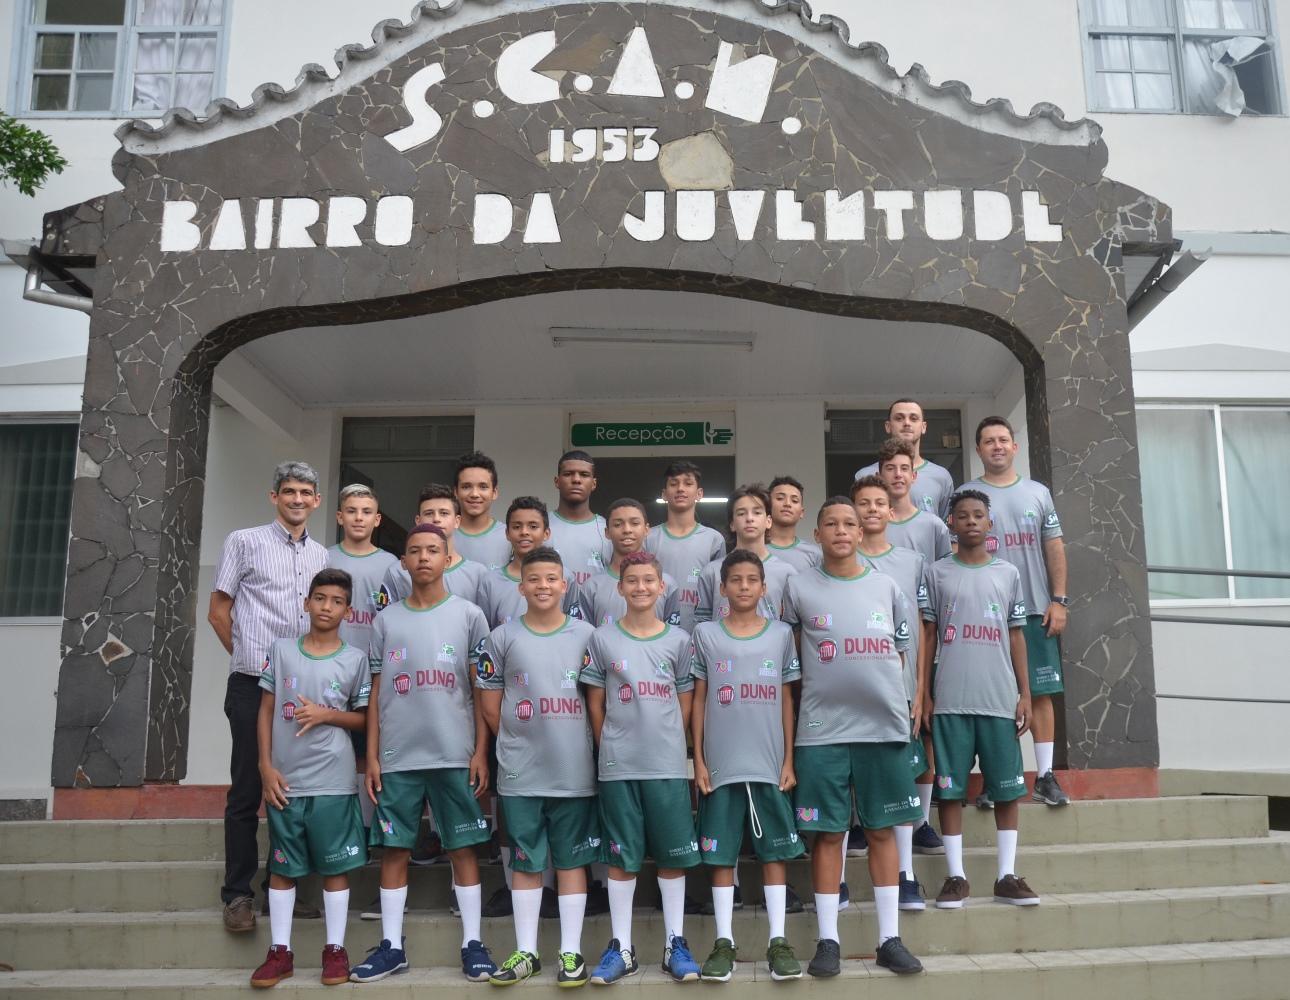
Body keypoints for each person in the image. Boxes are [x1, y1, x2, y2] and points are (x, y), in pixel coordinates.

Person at [782, 498, 924, 978]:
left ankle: (889, 938)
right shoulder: (797, 588)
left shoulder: (886, 586)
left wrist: (898, 701)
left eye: (850, 523)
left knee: (882, 830)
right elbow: (789, 665)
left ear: (861, 532)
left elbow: (902, 652)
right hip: (821, 732)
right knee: (828, 834)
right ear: (816, 533)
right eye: (832, 524)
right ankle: (828, 940)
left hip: (882, 729)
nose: (842, 531)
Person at [350, 524, 497, 984]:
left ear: (447, 556)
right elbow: (375, 694)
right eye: (415, 551)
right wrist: (372, 756)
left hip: (455, 755)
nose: (424, 558)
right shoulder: (385, 621)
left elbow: (481, 689)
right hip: (398, 758)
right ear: (404, 562)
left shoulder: (470, 615)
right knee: (394, 851)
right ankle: (392, 946)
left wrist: (480, 752)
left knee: (463, 848)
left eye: (433, 550)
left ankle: (473, 942)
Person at [209, 460, 328, 933]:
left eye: (306, 492)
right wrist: (250, 662)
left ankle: (284, 885)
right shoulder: (244, 541)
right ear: (273, 496)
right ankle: (238, 894)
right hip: (252, 683)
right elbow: (219, 611)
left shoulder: (322, 555)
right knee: (247, 789)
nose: (298, 499)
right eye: (289, 491)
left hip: (302, 688)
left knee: (294, 788)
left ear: (317, 501)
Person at [478, 548, 600, 987]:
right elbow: (490, 706)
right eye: (535, 579)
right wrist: (519, 740)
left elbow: (597, 703)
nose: (543, 586)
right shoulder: (501, 637)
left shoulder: (588, 635)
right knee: (526, 863)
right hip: (521, 771)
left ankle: (571, 952)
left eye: (552, 578)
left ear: (564, 584)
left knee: (570, 862)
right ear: (521, 586)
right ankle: (525, 952)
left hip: (575, 772)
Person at [581, 551, 702, 985]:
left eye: (648, 580)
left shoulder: (679, 641)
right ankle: (622, 948)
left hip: (666, 764)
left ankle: (675, 944)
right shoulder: (602, 639)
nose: (640, 588)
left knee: (672, 855)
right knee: (621, 858)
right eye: (632, 580)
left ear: (661, 586)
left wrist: (675, 743)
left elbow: (685, 702)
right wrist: (607, 744)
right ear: (620, 586)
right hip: (619, 764)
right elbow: (595, 702)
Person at [250, 568, 370, 988]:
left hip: (333, 781)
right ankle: (280, 951)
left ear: (347, 610)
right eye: (320, 598)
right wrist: (265, 766)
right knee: (283, 867)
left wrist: (326, 715)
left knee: (334, 867)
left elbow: (366, 720)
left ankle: (335, 950)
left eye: (337, 601)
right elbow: (266, 709)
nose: (327, 607)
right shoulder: (281, 651)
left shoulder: (355, 659)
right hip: (285, 780)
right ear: (306, 602)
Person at [923, 490, 1040, 909]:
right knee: (951, 793)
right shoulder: (936, 573)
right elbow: (929, 635)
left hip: (998, 700)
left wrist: (1025, 693)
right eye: (962, 515)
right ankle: (956, 877)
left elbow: (1015, 635)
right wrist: (924, 692)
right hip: (951, 701)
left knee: (1007, 792)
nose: (971, 521)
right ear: (950, 523)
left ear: (990, 524)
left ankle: (1006, 875)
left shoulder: (1008, 573)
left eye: (979, 515)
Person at [691, 550, 805, 983]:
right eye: (734, 579)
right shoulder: (705, 634)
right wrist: (699, 759)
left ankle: (778, 941)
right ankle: (724, 942)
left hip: (769, 762)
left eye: (751, 580)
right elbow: (698, 700)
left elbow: (787, 701)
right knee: (721, 854)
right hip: (721, 763)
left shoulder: (780, 635)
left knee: (774, 851)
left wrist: (789, 758)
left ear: (763, 587)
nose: (743, 586)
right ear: (722, 588)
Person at [967, 417, 1070, 808]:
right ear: (978, 449)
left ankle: (1044, 776)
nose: (996, 446)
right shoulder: (966, 494)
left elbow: (1054, 547)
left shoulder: (1037, 493)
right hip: (984, 617)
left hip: (1035, 611)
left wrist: (1059, 600)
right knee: (995, 698)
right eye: (988, 441)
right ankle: (999, 779)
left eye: (1003, 440)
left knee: (1040, 694)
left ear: (1014, 447)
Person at [851, 475, 942, 914]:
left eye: (878, 503)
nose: (871, 510)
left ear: (890, 511)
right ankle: (845, 879)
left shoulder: (911, 562)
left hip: (899, 693)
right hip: (847, 696)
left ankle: (905, 874)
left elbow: (923, 631)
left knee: (900, 782)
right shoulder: (834, 562)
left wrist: (921, 691)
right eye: (862, 503)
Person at [327, 484, 399, 829]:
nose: (359, 518)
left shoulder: (392, 566)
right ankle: (341, 826)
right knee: (337, 749)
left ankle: (369, 828)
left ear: (377, 519)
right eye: (352, 511)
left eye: (366, 512)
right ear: (340, 516)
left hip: (376, 674)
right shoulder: (321, 557)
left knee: (372, 751)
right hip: (331, 672)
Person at [695, 483, 796, 624]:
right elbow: (701, 625)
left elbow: (791, 627)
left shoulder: (787, 573)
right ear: (732, 524)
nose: (749, 518)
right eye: (741, 513)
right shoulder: (711, 571)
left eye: (757, 512)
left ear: (768, 521)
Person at [645, 461, 727, 631]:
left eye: (688, 483)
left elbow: (720, 594)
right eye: (674, 484)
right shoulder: (648, 538)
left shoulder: (714, 540)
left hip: (699, 635)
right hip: (655, 636)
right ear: (664, 494)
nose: (680, 488)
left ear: (699, 493)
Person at [477, 497, 581, 628]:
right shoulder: (491, 581)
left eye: (533, 526)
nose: (524, 532)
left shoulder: (565, 577)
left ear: (546, 533)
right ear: (507, 533)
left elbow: (573, 628)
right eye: (516, 526)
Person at [378, 484, 488, 607]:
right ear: (418, 521)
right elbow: (385, 619)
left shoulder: (478, 574)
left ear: (457, 521)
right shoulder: (397, 572)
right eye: (429, 513)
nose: (436, 519)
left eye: (444, 513)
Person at [580, 498, 681, 628]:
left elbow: (672, 638)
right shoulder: (591, 587)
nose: (627, 530)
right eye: (618, 524)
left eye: (634, 523)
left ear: (646, 529)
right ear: (607, 532)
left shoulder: (667, 584)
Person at [855, 399, 956, 518]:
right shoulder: (865, 476)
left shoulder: (941, 476)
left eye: (913, 418)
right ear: (888, 426)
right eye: (899, 418)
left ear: (923, 427)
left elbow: (947, 526)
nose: (907, 423)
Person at [876, 438, 953, 568]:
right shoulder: (870, 526)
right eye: (890, 468)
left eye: (904, 468)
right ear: (879, 477)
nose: (898, 474)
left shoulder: (934, 525)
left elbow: (945, 574)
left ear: (914, 476)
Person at [547, 450, 610, 587]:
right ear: (557, 481)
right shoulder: (540, 527)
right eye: (568, 474)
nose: (576, 479)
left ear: (593, 483)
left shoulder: (608, 531)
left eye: (584, 474)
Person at [454, 451, 512, 569]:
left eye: (483, 487)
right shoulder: (443, 536)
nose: (474, 494)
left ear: (494, 493)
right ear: (455, 492)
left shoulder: (509, 537)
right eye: (466, 487)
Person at [766, 475, 822, 572]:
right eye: (780, 498)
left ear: (802, 512)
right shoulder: (754, 550)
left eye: (794, 500)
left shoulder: (814, 554)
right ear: (767, 506)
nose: (787, 504)